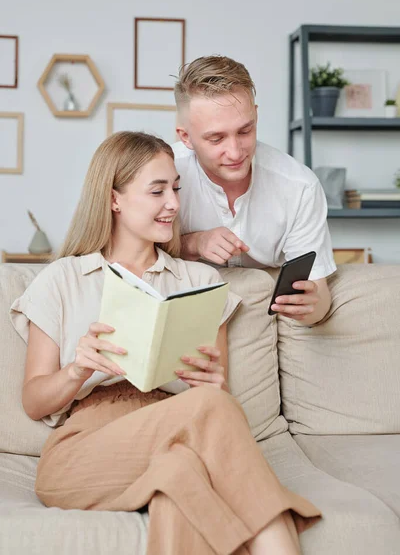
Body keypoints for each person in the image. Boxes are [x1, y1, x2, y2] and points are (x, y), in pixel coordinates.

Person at [11, 131, 321, 555]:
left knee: (181, 475)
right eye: (157, 191)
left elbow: (214, 399)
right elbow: (33, 401)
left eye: (175, 188)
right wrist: (77, 371)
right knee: (209, 414)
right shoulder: (63, 278)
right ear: (114, 199)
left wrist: (211, 383)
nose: (174, 203)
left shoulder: (200, 281)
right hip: (85, 448)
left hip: (178, 431)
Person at [173, 55, 337, 326]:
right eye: (216, 138)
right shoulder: (164, 175)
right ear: (186, 137)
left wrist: (312, 307)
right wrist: (194, 243)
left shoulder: (300, 187)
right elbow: (132, 260)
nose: (236, 152)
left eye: (245, 131)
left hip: (264, 317)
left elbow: (319, 297)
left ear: (256, 115)